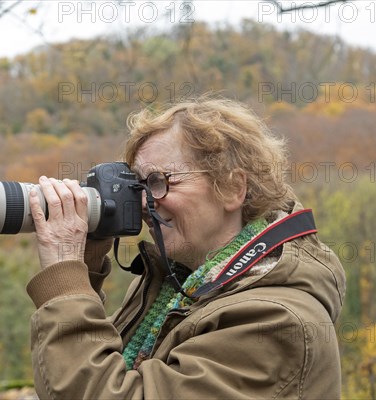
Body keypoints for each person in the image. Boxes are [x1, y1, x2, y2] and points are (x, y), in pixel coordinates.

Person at [26, 96, 346, 399]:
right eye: (137, 186)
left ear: (233, 187)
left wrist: (65, 284)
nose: (141, 203)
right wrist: (87, 266)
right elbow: (100, 370)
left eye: (157, 182)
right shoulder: (181, 285)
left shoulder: (275, 322)